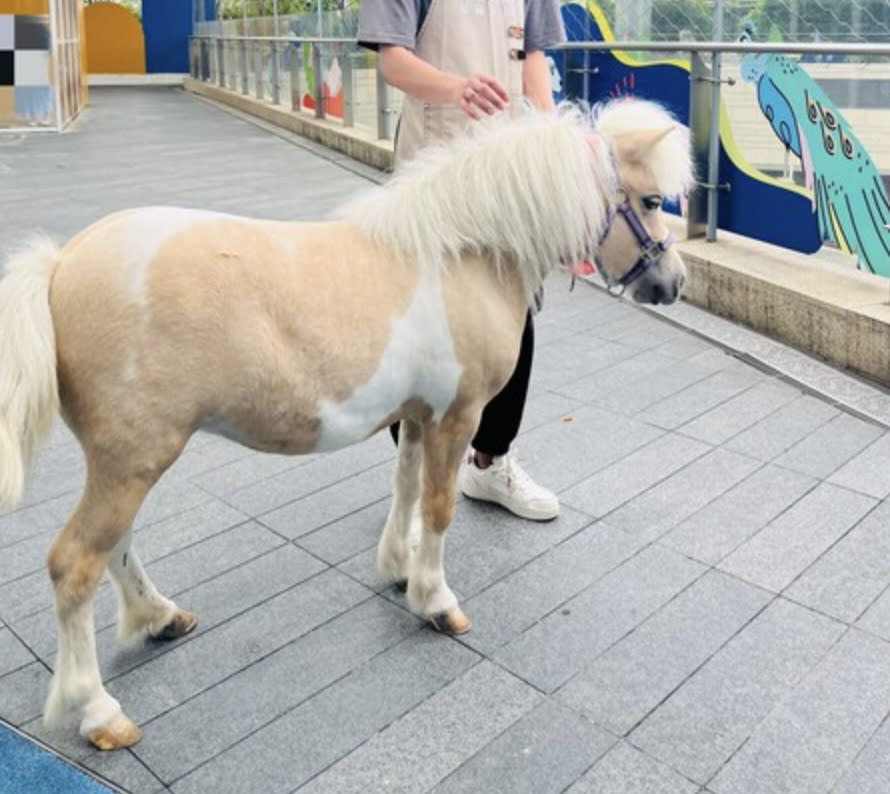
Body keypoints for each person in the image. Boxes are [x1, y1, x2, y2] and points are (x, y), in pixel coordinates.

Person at [357, 0, 564, 522]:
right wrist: (456, 87)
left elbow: (534, 53)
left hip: (511, 170)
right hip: (434, 167)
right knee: (420, 320)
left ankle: (492, 461)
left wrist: (548, 131)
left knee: (514, 314)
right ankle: (415, 475)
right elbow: (393, 60)